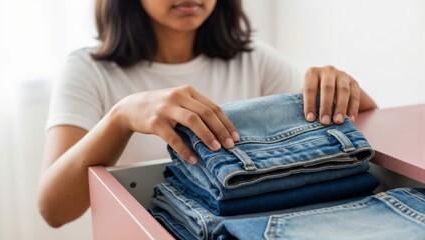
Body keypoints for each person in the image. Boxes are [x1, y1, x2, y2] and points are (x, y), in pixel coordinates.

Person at [37, 0, 377, 228]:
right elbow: (54, 210)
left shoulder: (255, 59)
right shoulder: (87, 69)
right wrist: (121, 117)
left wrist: (345, 88)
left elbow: (357, 129)